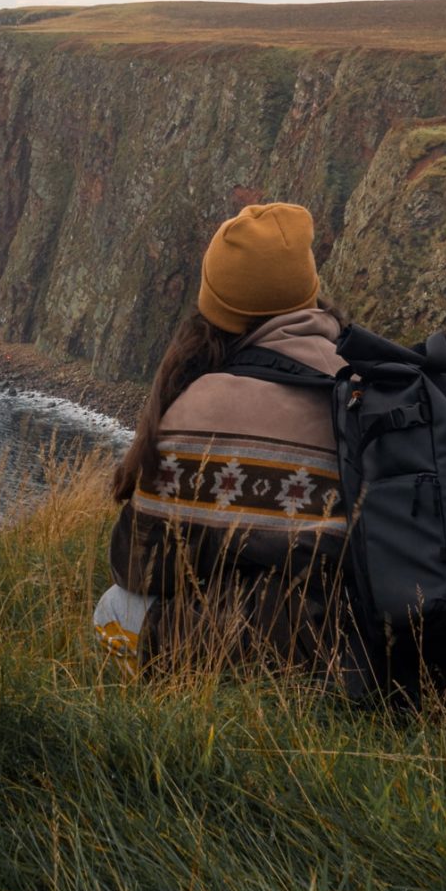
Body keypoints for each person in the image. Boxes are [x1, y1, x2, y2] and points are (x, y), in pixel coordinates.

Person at [96, 201, 354, 683]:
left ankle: (194, 695)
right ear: (309, 288)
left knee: (113, 607)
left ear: (216, 303)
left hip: (295, 654)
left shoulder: (201, 406)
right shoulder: (363, 376)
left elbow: (137, 564)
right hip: (394, 641)